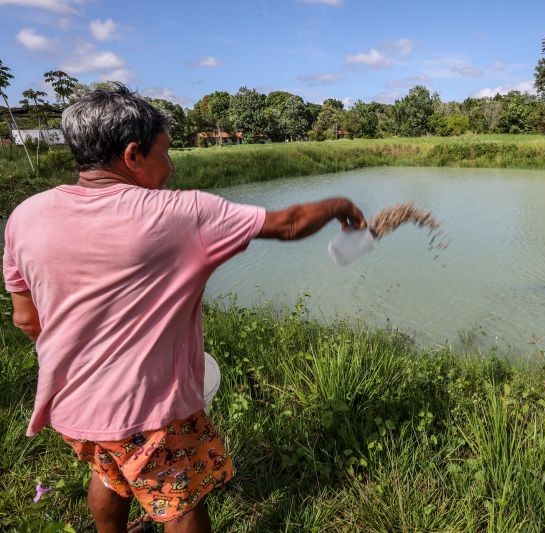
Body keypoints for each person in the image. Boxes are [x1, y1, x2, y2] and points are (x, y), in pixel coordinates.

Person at [3, 83, 366, 533]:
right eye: (165, 152)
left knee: (109, 474)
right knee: (182, 501)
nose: (172, 166)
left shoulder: (27, 216)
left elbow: (24, 318)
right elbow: (287, 224)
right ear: (133, 154)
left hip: (72, 402)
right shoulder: (179, 214)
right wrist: (339, 204)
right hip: (150, 410)